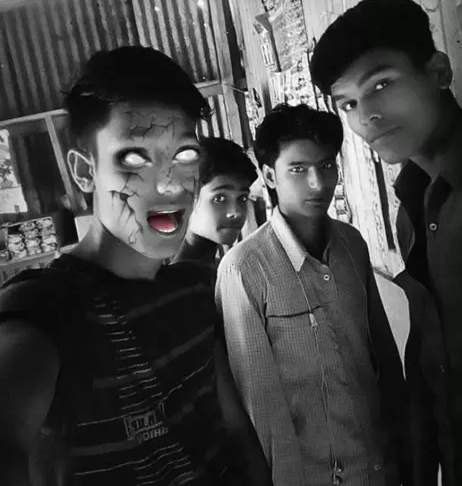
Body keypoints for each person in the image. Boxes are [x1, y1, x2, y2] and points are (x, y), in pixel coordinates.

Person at [0, 46, 271, 486]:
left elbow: (237, 432)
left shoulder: (194, 290)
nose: (168, 185)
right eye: (133, 158)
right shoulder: (45, 310)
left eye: (184, 155)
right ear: (84, 172)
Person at [310, 0, 462, 485]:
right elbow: (432, 359)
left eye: (381, 84)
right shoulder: (413, 207)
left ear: (439, 72)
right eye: (348, 104)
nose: (367, 117)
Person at [216, 103, 409, 486]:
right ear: (269, 175)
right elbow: (262, 408)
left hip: (377, 467)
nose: (318, 183)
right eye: (298, 169)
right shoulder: (244, 269)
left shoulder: (352, 245)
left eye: (326, 165)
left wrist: (403, 448)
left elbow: (383, 357)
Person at [175, 137, 257, 271]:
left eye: (242, 198)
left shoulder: (215, 269)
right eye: (219, 198)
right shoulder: (183, 280)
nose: (236, 212)